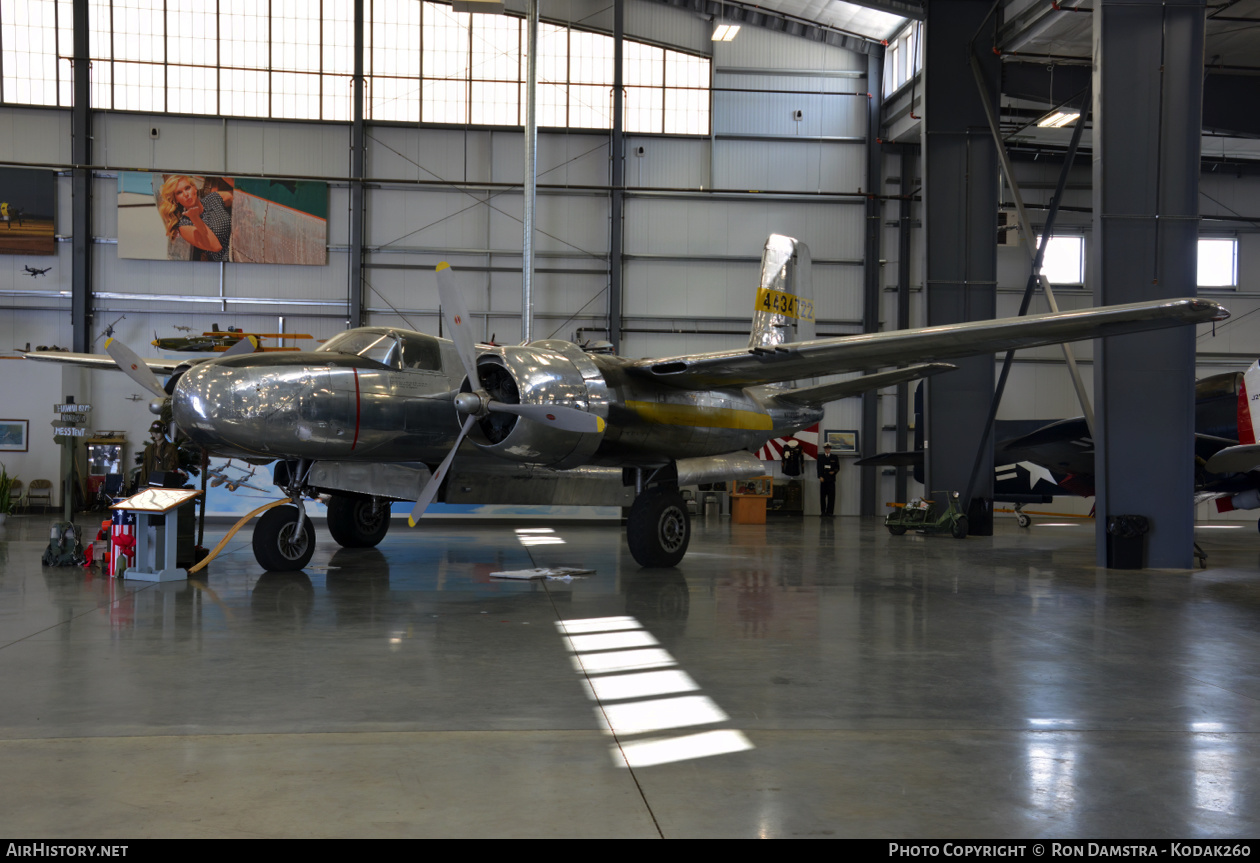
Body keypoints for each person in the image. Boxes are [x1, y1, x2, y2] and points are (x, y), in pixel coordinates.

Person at [157, 175, 233, 262]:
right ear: (176, 199)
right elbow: (216, 246)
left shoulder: (213, 198)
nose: (186, 194)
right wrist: (195, 218)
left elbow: (242, 197)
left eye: (187, 188)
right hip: (227, 264)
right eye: (179, 193)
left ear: (195, 189)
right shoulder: (185, 225)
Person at [139, 421, 181, 487]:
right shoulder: (149, 449)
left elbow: (173, 466)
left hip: (165, 484)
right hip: (150, 484)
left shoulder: (171, 448)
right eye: (153, 432)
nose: (155, 435)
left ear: (163, 431)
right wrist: (142, 485)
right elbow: (144, 468)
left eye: (157, 432)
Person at [817, 442, 840, 517]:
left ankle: (830, 512)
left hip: (831, 479)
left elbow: (837, 467)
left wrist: (834, 472)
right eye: (826, 448)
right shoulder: (820, 457)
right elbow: (819, 468)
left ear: (830, 449)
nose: (827, 450)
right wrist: (820, 476)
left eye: (828, 448)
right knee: (822, 497)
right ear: (824, 449)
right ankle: (823, 512)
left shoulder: (834, 457)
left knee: (831, 497)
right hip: (823, 479)